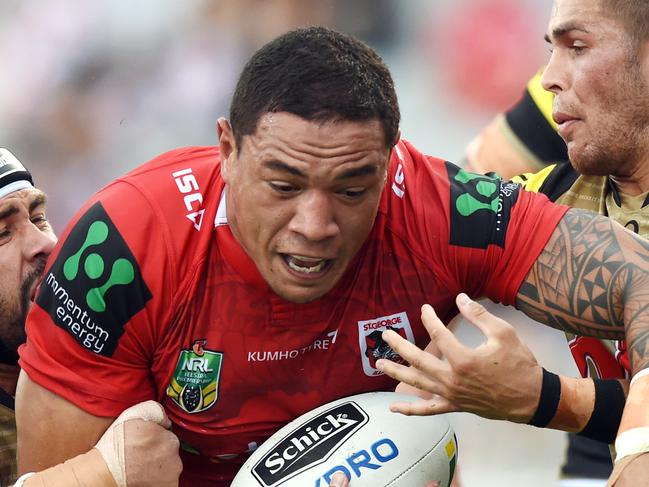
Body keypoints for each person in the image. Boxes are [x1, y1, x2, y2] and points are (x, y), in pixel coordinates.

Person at [13, 26, 649, 487]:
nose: (315, 226)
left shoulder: (437, 208)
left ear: (390, 162)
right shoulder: (118, 251)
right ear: (227, 149)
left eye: (352, 188)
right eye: (283, 186)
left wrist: (639, 450)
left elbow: (637, 280)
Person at [377, 0, 649, 485]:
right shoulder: (551, 200)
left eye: (578, 47)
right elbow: (430, 208)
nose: (546, 79)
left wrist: (544, 398)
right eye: (553, 48)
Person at [0, 148, 181, 486]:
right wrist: (100, 475)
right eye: (3, 233)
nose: (46, 243)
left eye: (39, 218)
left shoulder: (116, 348)